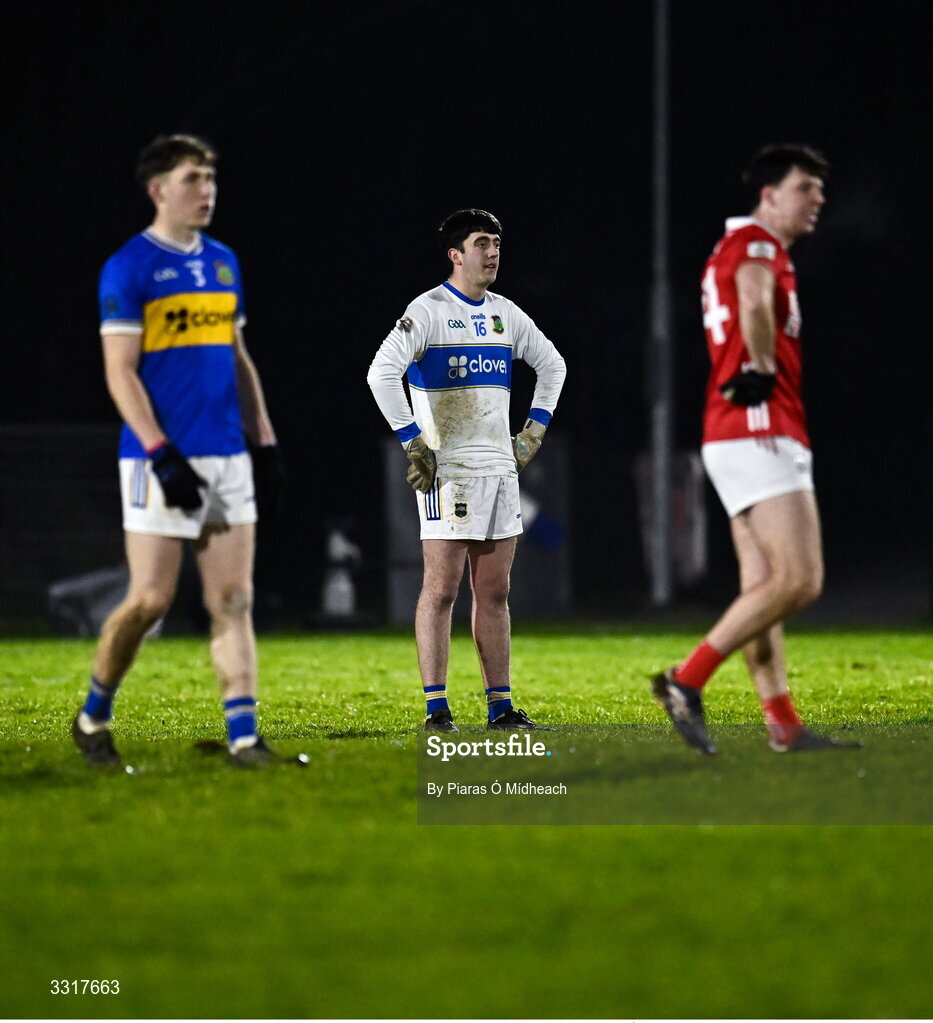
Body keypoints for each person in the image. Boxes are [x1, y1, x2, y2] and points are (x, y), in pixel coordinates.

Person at [71, 134, 286, 767]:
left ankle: (245, 739)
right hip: (156, 458)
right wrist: (161, 452)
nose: (207, 190)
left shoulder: (223, 263)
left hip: (226, 455)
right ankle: (93, 716)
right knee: (150, 601)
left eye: (211, 178)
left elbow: (238, 358)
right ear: (157, 188)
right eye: (194, 178)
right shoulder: (129, 267)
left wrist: (265, 443)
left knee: (233, 599)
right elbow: (120, 372)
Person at [653, 144, 860, 755]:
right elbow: (749, 296)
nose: (817, 199)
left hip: (732, 431)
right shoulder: (759, 246)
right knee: (800, 579)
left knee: (763, 588)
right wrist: (764, 366)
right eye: (805, 187)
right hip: (759, 424)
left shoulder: (732, 245)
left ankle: (783, 725)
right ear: (768, 195)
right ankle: (684, 682)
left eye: (821, 190)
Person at [368, 209, 566, 733]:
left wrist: (533, 431)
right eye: (482, 242)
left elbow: (553, 364)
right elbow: (380, 373)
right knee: (441, 591)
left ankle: (499, 707)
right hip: (447, 474)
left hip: (500, 471)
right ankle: (437, 709)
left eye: (497, 242)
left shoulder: (505, 313)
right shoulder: (428, 310)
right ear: (455, 254)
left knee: (496, 593)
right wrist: (413, 442)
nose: (493, 251)